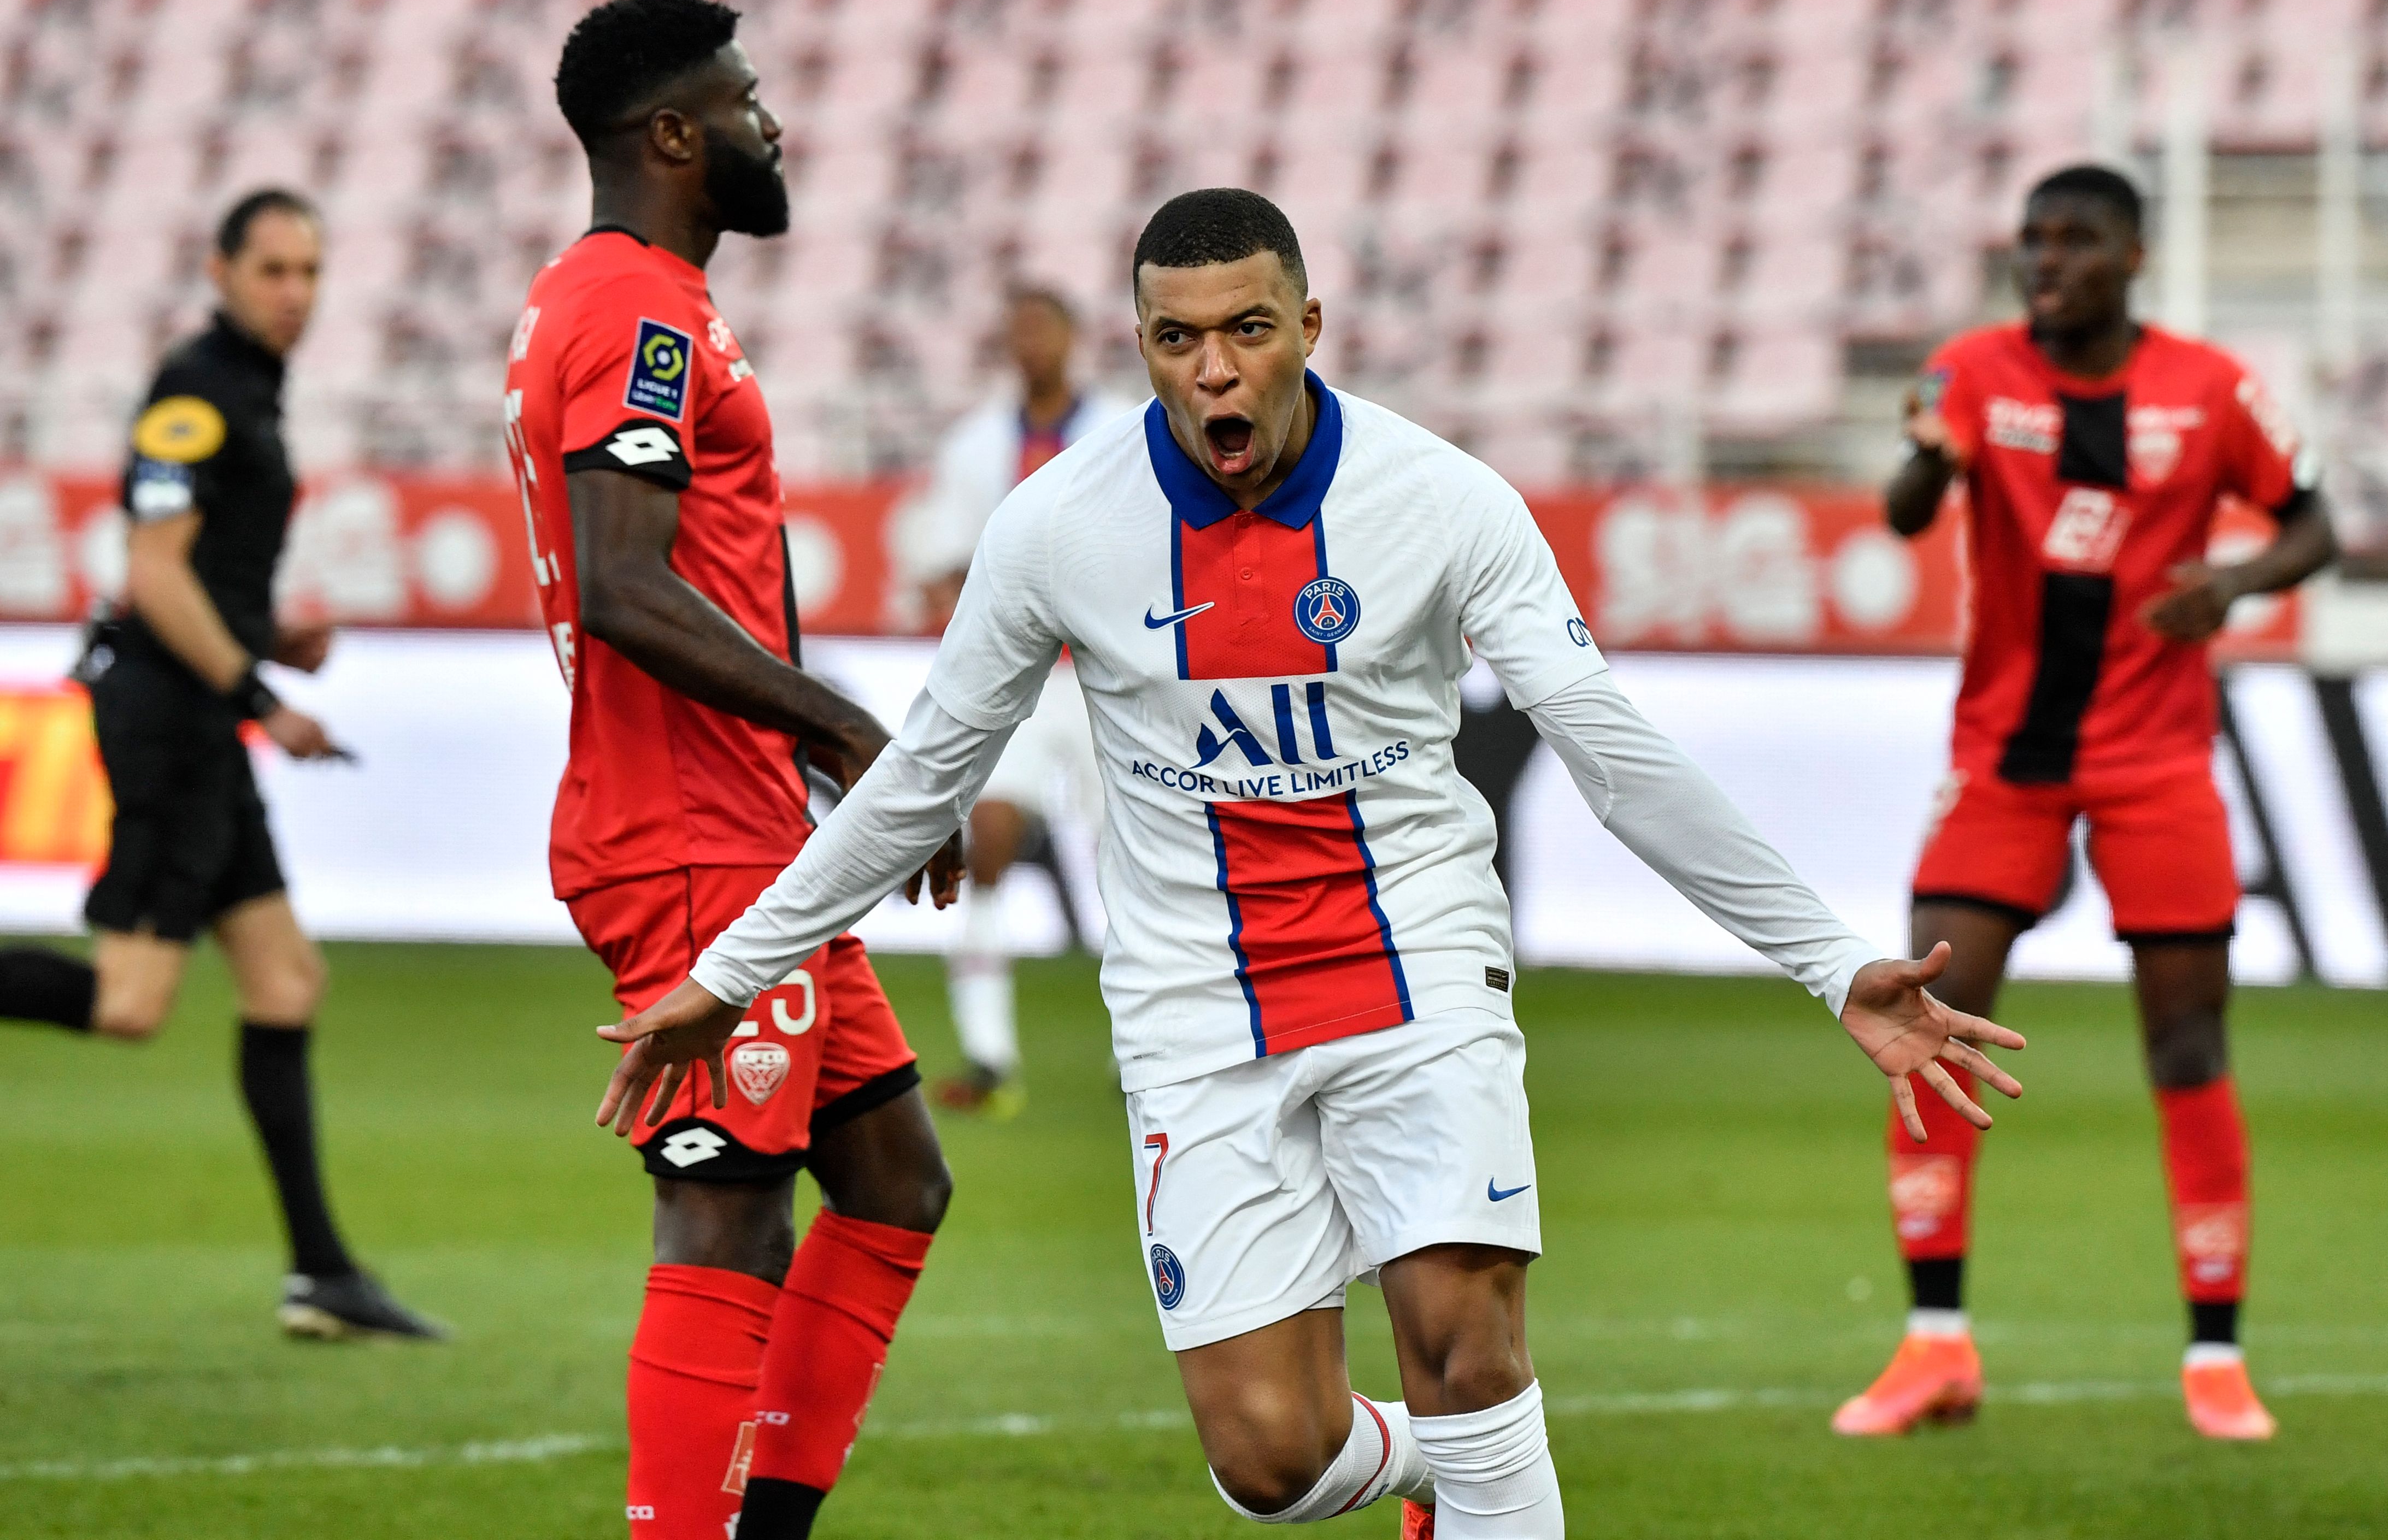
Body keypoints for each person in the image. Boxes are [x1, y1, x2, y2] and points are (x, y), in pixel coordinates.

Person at [594, 187, 2026, 1539]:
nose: (1215, 371)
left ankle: (1478, 1472)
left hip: (1416, 969)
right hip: (1195, 1009)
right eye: (1178, 338)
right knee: (1269, 1460)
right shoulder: (1055, 529)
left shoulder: (1442, 500)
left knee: (1467, 1338)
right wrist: (736, 971)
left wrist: (1830, 960)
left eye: (1248, 330)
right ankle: (1422, 1478)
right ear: (1143, 346)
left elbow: (1611, 749)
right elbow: (922, 775)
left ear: (1309, 328)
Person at [512, 0, 963, 1540]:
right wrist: (847, 728)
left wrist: (819, 777)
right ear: (675, 135)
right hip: (686, 833)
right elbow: (627, 583)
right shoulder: (632, 310)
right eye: (748, 100)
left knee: (897, 1181)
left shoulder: (636, 303)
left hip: (752, 828)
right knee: (725, 1210)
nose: (774, 125)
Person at [1832, 164, 2337, 1443]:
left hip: (2157, 757)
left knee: (2185, 1038)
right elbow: (1902, 516)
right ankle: (1933, 1344)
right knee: (1929, 1014)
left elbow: (2314, 523)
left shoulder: (2211, 389)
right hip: (2001, 755)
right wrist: (1921, 451)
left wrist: (2232, 582)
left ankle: (2215, 1355)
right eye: (2032, 239)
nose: (2043, 258)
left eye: (2074, 240)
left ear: (2132, 257)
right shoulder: (1970, 373)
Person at [0, 189, 442, 1342]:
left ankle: (323, 1274)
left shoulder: (251, 389)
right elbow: (153, 571)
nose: (294, 291)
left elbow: (197, 573)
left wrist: (262, 640)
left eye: (309, 270)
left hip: (203, 709)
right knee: (131, 1001)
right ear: (221, 269)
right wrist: (260, 694)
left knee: (286, 980)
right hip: (170, 718)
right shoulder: (196, 390)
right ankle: (323, 1270)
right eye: (273, 270)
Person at [911, 285, 1134, 1116]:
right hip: (1025, 678)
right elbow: (940, 561)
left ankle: (1144, 1054)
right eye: (1018, 328)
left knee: (1138, 864)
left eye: (1042, 325)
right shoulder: (975, 444)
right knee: (990, 840)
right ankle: (990, 1057)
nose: (1030, 341)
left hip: (1116, 675)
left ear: (1073, 335)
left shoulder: (1125, 426)